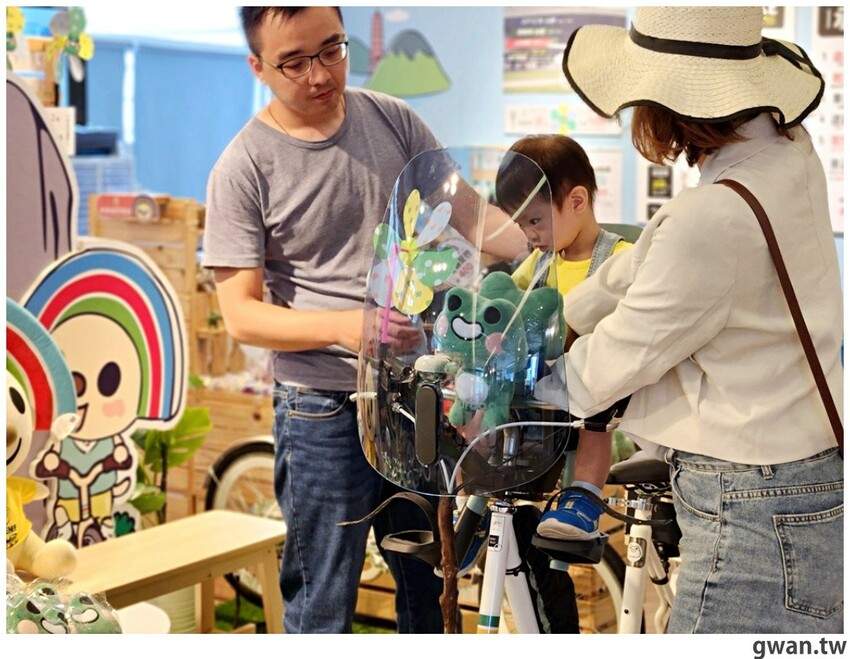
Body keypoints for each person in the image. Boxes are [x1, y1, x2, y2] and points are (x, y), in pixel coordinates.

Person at [202, 7, 525, 634]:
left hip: (416, 393)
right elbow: (240, 316)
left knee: (432, 587)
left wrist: (548, 246)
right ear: (257, 66)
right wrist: (347, 327)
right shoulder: (242, 167)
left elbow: (471, 215)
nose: (320, 74)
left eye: (332, 50)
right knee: (323, 598)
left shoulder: (392, 118)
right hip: (323, 405)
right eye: (294, 62)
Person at [535, 6, 843, 633]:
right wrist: (557, 317)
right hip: (808, 471)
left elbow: (610, 364)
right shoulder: (785, 153)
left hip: (750, 505)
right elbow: (651, 257)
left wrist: (513, 381)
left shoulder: (712, 219)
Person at [495, 134, 633, 541]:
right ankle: (482, 502)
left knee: (599, 408)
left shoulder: (621, 258)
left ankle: (585, 494)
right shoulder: (540, 261)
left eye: (535, 221)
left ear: (576, 201)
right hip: (543, 388)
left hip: (594, 385)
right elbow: (510, 301)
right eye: (520, 224)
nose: (529, 235)